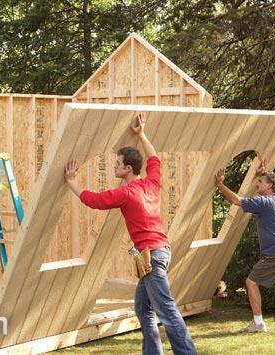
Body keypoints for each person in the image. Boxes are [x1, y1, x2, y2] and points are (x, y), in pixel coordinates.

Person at [65, 114, 197, 355]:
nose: (114, 166)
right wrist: (142, 133)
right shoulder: (152, 182)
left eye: (117, 163)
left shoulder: (126, 193)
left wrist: (72, 182)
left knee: (167, 311)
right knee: (143, 309)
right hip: (157, 252)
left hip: (152, 256)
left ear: (127, 168)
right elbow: (154, 157)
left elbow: (94, 200)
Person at [215, 162, 275, 333]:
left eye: (261, 182)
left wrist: (220, 185)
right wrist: (259, 175)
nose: (257, 184)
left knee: (251, 282)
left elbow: (236, 200)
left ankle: (258, 323)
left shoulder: (265, 202)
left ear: (269, 185)